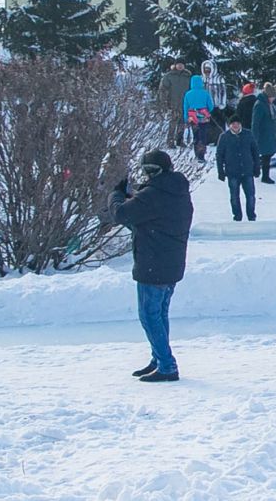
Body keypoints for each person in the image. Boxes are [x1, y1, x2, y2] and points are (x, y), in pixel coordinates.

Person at [112, 150, 194, 382]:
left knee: (149, 316)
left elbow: (121, 214)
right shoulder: (176, 191)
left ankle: (167, 365)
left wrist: (116, 195)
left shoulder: (154, 194)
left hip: (153, 264)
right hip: (170, 262)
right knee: (159, 314)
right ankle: (159, 357)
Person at [215, 115, 259, 222]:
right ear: (229, 125)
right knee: (234, 197)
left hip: (247, 170)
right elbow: (219, 155)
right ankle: (237, 216)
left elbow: (255, 152)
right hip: (232, 172)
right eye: (233, 124)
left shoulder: (248, 134)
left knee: (251, 196)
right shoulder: (224, 137)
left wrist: (257, 167)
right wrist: (220, 171)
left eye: (237, 123)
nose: (235, 125)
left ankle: (251, 216)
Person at [156, 63, 191, 149]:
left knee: (182, 122)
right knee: (173, 122)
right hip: (172, 103)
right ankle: (170, 140)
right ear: (175, 65)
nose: (180, 66)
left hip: (184, 103)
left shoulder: (188, 76)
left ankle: (179, 140)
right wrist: (164, 101)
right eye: (178, 64)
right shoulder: (169, 76)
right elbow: (163, 89)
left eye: (182, 64)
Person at [251, 82, 276, 184]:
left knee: (267, 154)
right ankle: (264, 176)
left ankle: (260, 172)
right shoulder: (260, 105)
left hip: (268, 134)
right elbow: (255, 122)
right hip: (263, 135)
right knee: (265, 155)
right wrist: (255, 137)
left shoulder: (267, 104)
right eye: (272, 97)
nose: (273, 99)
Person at [183, 75, 215, 163]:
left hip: (192, 117)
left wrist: (186, 118)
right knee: (203, 135)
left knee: (196, 135)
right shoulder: (205, 93)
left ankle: (196, 154)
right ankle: (201, 155)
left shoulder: (188, 94)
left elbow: (185, 107)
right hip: (203, 117)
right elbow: (211, 106)